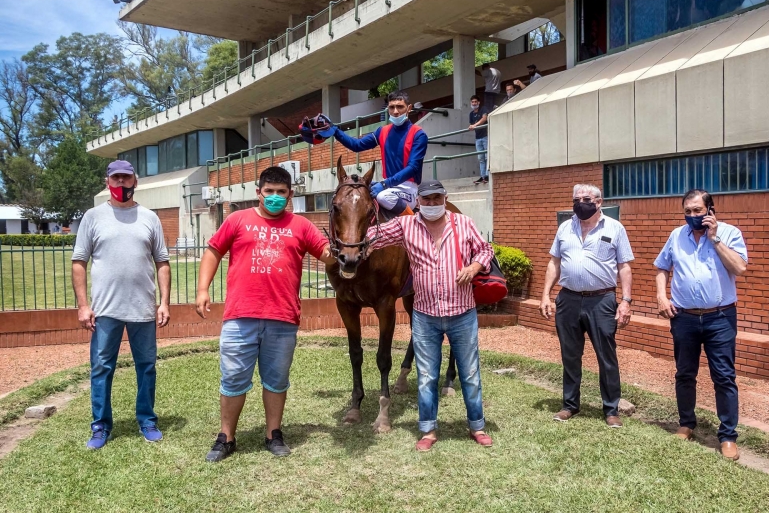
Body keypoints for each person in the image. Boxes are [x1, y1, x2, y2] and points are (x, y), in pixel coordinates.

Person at [196, 166, 336, 462]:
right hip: (240, 316)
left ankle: (273, 434)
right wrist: (202, 290)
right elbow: (212, 252)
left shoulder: (301, 225)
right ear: (258, 192)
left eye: (281, 192)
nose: (274, 197)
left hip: (283, 318)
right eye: (269, 191)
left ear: (290, 195)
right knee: (233, 378)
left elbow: (326, 254)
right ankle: (226, 437)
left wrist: (346, 243)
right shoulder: (237, 220)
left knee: (276, 380)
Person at [367, 180, 495, 451]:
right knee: (426, 376)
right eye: (426, 199)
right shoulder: (406, 226)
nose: (432, 204)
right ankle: (428, 430)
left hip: (462, 312)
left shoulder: (464, 223)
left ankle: (477, 426)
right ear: (417, 202)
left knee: (470, 373)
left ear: (445, 199)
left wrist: (474, 267)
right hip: (425, 315)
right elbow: (372, 235)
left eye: (437, 198)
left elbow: (486, 249)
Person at [72, 159, 171, 450]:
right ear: (107, 182)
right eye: (115, 179)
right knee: (102, 367)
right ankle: (100, 426)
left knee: (146, 367)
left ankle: (147, 420)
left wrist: (164, 302)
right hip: (105, 311)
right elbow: (79, 262)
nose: (121, 184)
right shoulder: (93, 217)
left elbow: (162, 262)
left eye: (126, 178)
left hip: (143, 309)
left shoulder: (149, 217)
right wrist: (82, 305)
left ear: (135, 181)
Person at [654, 189, 747, 461]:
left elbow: (740, 268)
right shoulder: (676, 236)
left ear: (710, 210)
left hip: (720, 317)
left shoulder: (730, 233)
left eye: (697, 211)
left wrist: (715, 239)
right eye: (687, 211)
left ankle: (728, 436)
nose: (692, 216)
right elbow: (662, 268)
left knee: (724, 377)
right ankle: (686, 424)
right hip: (684, 318)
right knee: (684, 373)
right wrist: (661, 297)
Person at [540, 184, 633, 428]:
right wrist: (545, 295)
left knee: (606, 357)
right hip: (568, 299)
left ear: (599, 202)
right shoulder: (565, 228)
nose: (581, 202)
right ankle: (570, 405)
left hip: (601, 300)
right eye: (576, 199)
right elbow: (554, 263)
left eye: (587, 198)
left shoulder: (615, 228)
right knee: (570, 355)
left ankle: (611, 409)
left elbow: (624, 266)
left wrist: (625, 301)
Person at [330, 90, 427, 217]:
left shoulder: (419, 134)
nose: (396, 112)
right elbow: (356, 145)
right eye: (392, 107)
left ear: (409, 108)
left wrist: (385, 184)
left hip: (407, 188)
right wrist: (335, 130)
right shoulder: (382, 131)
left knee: (382, 197)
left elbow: (413, 167)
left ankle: (413, 221)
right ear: (388, 109)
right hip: (387, 185)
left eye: (400, 107)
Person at [468, 95, 489, 185]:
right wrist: (472, 126)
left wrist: (475, 125)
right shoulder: (471, 114)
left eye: (475, 102)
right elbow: (471, 125)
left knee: (487, 157)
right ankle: (483, 176)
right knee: (481, 158)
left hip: (485, 136)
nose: (474, 103)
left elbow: (484, 118)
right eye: (472, 102)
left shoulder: (483, 109)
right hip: (478, 138)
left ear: (479, 102)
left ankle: (488, 176)